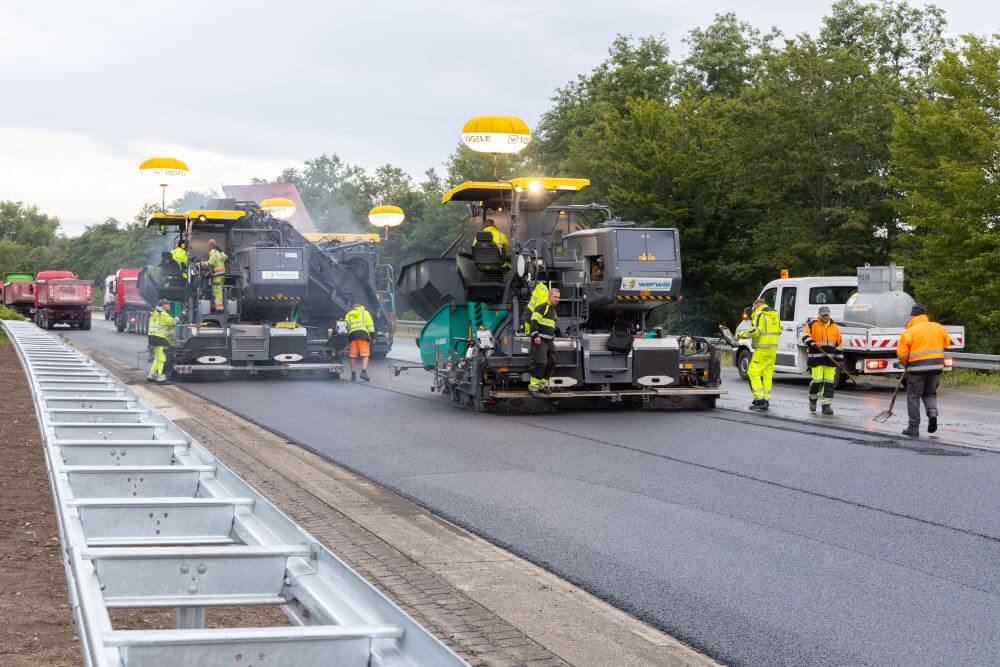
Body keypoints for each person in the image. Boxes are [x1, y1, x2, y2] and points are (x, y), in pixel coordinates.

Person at [897, 304, 951, 436]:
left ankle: (913, 427)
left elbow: (902, 355)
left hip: (917, 369)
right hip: (936, 367)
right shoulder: (938, 327)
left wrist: (906, 365)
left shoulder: (908, 332)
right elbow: (947, 343)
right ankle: (932, 413)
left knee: (913, 397)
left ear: (913, 316)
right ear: (926, 315)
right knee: (930, 393)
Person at [737, 298, 781, 411]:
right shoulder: (775, 314)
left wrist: (740, 334)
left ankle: (759, 400)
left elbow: (755, 332)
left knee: (752, 372)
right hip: (772, 350)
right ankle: (765, 399)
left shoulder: (759, 314)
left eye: (754, 307)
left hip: (761, 349)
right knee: (767, 375)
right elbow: (780, 330)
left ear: (757, 305)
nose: (753, 309)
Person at [800, 305, 843, 415]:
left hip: (830, 360)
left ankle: (826, 406)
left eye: (827, 314)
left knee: (829, 383)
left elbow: (838, 345)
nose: (825, 316)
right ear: (819, 315)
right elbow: (804, 335)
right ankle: (813, 399)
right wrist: (812, 342)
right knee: (817, 381)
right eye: (823, 314)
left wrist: (840, 360)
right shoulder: (812, 325)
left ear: (829, 314)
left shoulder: (835, 328)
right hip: (816, 360)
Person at [528, 287, 560, 395]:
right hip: (540, 340)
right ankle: (533, 388)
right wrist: (535, 336)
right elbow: (533, 321)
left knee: (552, 363)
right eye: (555, 297)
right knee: (541, 363)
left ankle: (542, 385)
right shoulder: (542, 307)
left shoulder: (553, 310)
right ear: (549, 296)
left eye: (558, 297)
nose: (557, 299)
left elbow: (552, 325)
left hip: (549, 342)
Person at [147, 299, 185, 383]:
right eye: (168, 304)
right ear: (163, 305)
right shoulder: (163, 314)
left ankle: (151, 375)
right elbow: (173, 322)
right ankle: (161, 378)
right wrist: (181, 315)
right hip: (160, 339)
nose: (169, 306)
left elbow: (160, 325)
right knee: (164, 359)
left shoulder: (154, 313)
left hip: (152, 338)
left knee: (157, 358)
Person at [344, 302, 375, 381]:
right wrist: (373, 337)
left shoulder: (348, 315)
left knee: (352, 357)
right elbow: (370, 326)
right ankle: (363, 372)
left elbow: (345, 327)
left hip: (353, 337)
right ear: (360, 307)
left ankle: (353, 375)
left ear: (353, 308)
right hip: (363, 336)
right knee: (365, 356)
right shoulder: (365, 313)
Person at [205, 239, 228, 311]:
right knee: (220, 292)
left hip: (217, 276)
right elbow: (226, 258)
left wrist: (202, 263)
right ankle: (220, 308)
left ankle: (219, 309)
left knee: (217, 292)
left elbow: (211, 262)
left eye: (208, 245)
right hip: (222, 276)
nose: (207, 246)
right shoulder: (220, 252)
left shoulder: (213, 251)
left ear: (211, 245)